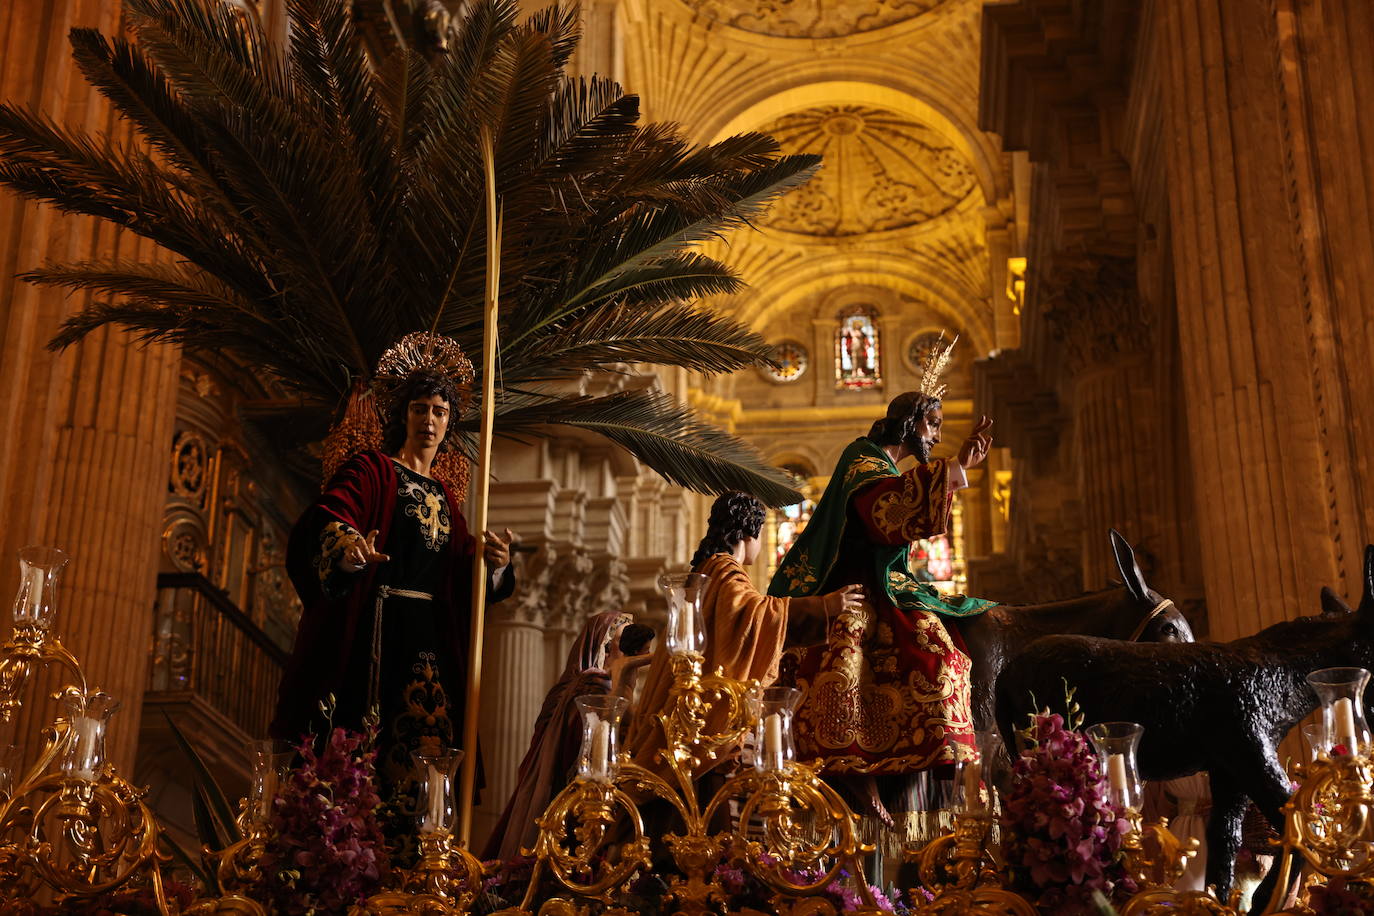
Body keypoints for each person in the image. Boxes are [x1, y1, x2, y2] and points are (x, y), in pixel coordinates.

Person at [270, 333, 516, 820]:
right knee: (370, 748)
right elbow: (329, 515)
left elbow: (461, 575)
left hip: (431, 641)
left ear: (450, 422)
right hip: (377, 629)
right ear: (404, 414)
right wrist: (348, 548)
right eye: (421, 408)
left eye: (440, 412)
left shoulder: (447, 498)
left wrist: (497, 564)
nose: (429, 420)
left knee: (430, 755)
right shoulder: (373, 471)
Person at [769, 336, 994, 834]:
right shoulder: (864, 457)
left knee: (941, 647)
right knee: (854, 656)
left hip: (885, 587)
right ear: (909, 423)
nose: (935, 436)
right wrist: (956, 469)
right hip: (846, 589)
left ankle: (928, 769)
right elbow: (883, 513)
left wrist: (954, 470)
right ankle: (849, 768)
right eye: (932, 425)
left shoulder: (886, 465)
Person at [624, 493, 864, 785]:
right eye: (761, 536)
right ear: (750, 533)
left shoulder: (708, 571)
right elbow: (752, 614)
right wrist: (825, 607)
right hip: (705, 713)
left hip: (694, 707)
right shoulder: (724, 571)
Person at [481, 610, 637, 863]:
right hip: (580, 788)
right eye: (625, 645)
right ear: (605, 648)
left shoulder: (589, 685)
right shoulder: (594, 685)